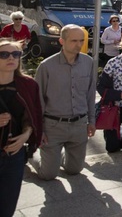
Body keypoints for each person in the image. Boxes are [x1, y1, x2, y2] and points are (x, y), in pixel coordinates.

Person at [32, 25, 95, 180]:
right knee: (48, 175)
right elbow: (37, 99)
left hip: (79, 125)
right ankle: (33, 155)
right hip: (53, 125)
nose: (79, 45)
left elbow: (90, 94)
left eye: (81, 40)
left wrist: (91, 121)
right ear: (62, 41)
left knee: (74, 170)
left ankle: (56, 157)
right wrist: (39, 130)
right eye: (74, 41)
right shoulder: (47, 66)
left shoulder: (89, 63)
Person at [0, 38, 42, 216]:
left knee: (7, 206)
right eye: (4, 54)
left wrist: (26, 136)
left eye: (16, 54)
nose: (11, 58)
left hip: (14, 155)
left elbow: (33, 116)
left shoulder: (28, 85)